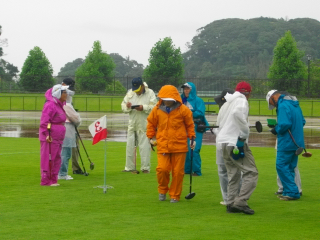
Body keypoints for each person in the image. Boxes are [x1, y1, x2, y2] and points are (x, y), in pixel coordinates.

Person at [146, 85, 196, 203]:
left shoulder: (184, 110)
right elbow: (151, 123)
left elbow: (190, 125)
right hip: (163, 144)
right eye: (164, 99)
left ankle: (175, 195)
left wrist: (192, 138)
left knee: (178, 172)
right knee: (162, 169)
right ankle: (162, 190)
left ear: (174, 99)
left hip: (179, 145)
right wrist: (150, 137)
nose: (166, 101)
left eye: (169, 99)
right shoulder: (157, 110)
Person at [216, 81, 258, 215]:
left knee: (233, 174)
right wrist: (243, 135)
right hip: (235, 142)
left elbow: (219, 123)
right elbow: (237, 113)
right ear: (248, 93)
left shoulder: (227, 103)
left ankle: (230, 202)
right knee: (251, 172)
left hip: (222, 142)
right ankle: (241, 201)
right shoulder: (241, 101)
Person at [266, 90, 305, 200]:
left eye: (271, 102)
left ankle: (292, 192)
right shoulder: (295, 104)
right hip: (298, 142)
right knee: (291, 167)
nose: (272, 105)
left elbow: (284, 124)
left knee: (281, 166)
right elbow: (302, 121)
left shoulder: (283, 105)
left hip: (287, 142)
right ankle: (290, 191)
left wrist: (275, 129)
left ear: (273, 97)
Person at [121, 77, 157, 173]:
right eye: (135, 89)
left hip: (144, 125)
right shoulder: (130, 93)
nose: (136, 92)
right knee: (130, 147)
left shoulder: (150, 93)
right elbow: (123, 107)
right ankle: (129, 167)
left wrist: (143, 108)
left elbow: (154, 107)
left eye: (138, 90)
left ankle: (145, 168)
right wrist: (128, 107)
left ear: (142, 86)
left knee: (144, 148)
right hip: (132, 124)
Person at [39, 84, 68, 186]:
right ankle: (46, 180)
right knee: (48, 158)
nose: (66, 94)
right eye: (64, 92)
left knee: (56, 157)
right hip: (50, 137)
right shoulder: (50, 105)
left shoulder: (60, 105)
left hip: (58, 136)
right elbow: (45, 122)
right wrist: (47, 134)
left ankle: (53, 179)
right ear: (58, 93)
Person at [213, 88, 236, 205]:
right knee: (225, 170)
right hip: (223, 143)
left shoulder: (237, 109)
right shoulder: (224, 109)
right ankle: (230, 198)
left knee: (230, 171)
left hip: (230, 144)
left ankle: (232, 198)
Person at [180, 82, 209, 176]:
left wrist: (188, 112)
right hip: (184, 127)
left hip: (196, 127)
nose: (186, 90)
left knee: (195, 148)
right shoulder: (181, 100)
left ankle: (196, 171)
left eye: (188, 89)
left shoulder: (198, 101)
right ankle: (187, 170)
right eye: (185, 89)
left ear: (192, 89)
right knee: (186, 148)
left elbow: (200, 113)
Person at [58, 78, 81, 180]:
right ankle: (62, 173)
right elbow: (76, 119)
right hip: (68, 130)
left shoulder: (59, 104)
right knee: (66, 153)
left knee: (61, 152)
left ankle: (59, 172)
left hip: (62, 129)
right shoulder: (66, 105)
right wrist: (78, 120)